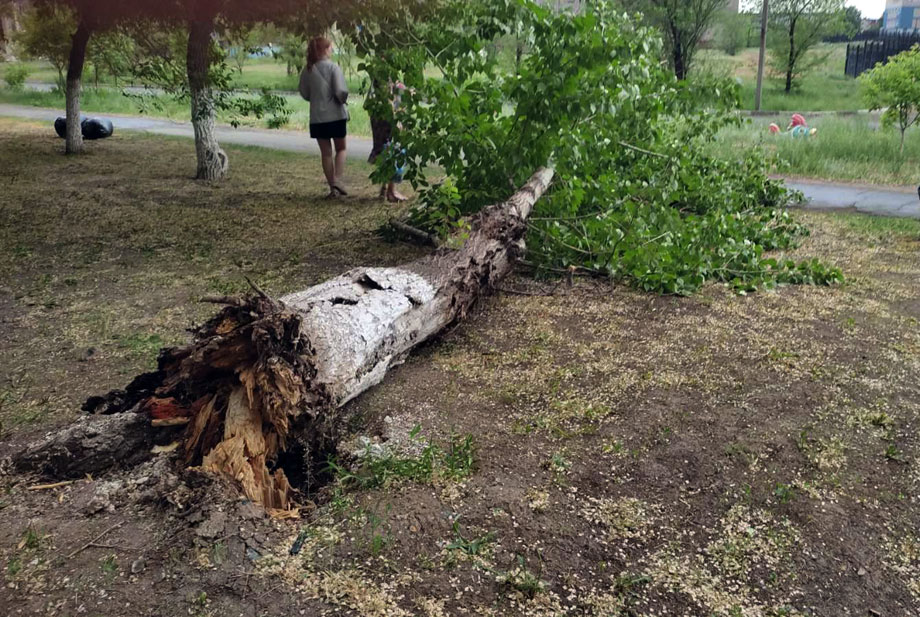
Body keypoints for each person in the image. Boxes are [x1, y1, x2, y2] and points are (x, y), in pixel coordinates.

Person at [300, 37, 349, 198]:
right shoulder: (334, 67)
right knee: (341, 148)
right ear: (325, 50)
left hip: (317, 118)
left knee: (326, 153)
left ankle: (332, 189)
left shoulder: (307, 69)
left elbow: (305, 93)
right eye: (330, 48)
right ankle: (337, 180)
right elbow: (340, 91)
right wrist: (343, 100)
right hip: (335, 115)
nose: (332, 51)